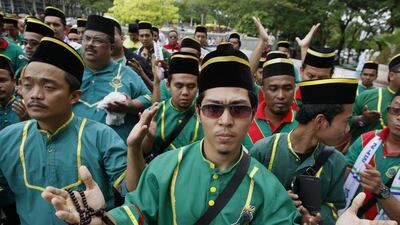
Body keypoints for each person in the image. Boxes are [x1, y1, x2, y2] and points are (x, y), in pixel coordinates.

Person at [41, 40, 316, 225]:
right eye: (213, 109)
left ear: (253, 111)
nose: (225, 120)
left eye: (239, 109)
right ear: (199, 112)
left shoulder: (269, 190)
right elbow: (137, 213)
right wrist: (99, 220)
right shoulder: (164, 168)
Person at [0, 37, 135, 225]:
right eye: (28, 85)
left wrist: (135, 149)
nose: (35, 95)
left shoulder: (101, 137)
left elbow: (134, 193)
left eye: (48, 86)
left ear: (74, 96)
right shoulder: (7, 139)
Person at [251, 78, 359, 225]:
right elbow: (244, 200)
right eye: (345, 121)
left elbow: (334, 207)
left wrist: (316, 217)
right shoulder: (263, 150)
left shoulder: (336, 161)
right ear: (320, 121)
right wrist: (276, 202)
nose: (347, 129)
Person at [73, 15, 151, 141]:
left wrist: (131, 105)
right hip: (74, 146)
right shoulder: (70, 70)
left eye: (98, 40)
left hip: (113, 152)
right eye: (86, 38)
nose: (90, 44)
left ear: (111, 48)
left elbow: (149, 97)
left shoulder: (126, 73)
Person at [343, 89, 400, 223]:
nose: (399, 117)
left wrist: (381, 190)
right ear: (388, 111)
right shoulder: (367, 139)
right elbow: (343, 175)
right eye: (396, 110)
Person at [141, 51, 203, 163]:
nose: (185, 92)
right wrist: (149, 137)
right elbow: (142, 151)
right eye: (179, 86)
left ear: (198, 86)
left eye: (191, 86)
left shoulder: (206, 116)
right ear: (168, 85)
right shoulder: (154, 113)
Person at [243, 51, 298, 149]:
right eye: (273, 89)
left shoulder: (302, 123)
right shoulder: (245, 121)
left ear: (294, 89)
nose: (281, 96)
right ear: (263, 91)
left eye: (287, 88)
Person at [351, 53, 400, 143]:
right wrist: (362, 119)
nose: (368, 77)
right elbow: (344, 122)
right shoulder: (367, 96)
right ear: (392, 75)